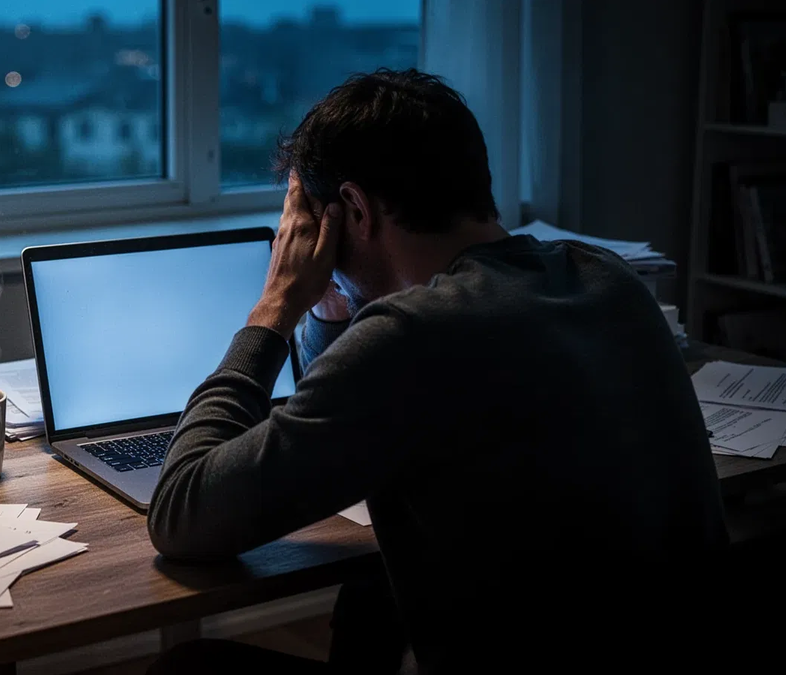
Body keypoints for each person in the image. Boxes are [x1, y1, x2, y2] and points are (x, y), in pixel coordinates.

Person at [146, 69, 729, 674]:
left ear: (353, 209)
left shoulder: (411, 337)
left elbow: (182, 515)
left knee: (186, 667)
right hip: (676, 651)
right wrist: (333, 301)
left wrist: (274, 308)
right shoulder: (607, 279)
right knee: (371, 596)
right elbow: (346, 414)